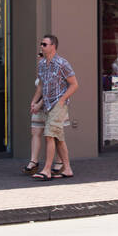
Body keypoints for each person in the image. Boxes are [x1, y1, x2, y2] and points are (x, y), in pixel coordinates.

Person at [29, 34, 78, 180]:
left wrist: (62, 100)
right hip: (46, 105)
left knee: (49, 136)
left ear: (53, 46)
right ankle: (68, 169)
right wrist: (36, 102)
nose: (42, 47)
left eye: (44, 44)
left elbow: (74, 84)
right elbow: (42, 86)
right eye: (41, 44)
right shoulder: (42, 64)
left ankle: (47, 170)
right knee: (58, 138)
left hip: (58, 105)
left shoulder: (62, 63)